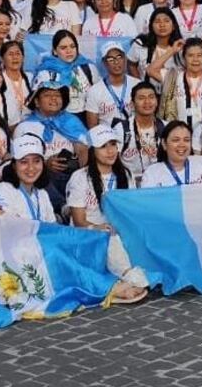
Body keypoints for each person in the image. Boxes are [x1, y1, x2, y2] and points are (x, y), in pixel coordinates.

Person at [62, 126, 149, 303]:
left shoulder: (125, 174)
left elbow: (129, 212)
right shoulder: (80, 177)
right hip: (90, 233)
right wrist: (98, 227)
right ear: (93, 151)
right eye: (103, 146)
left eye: (113, 145)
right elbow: (79, 221)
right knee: (108, 236)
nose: (110, 151)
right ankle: (131, 276)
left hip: (118, 231)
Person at [0, 133, 60, 221]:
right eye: (24, 162)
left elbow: (53, 228)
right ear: (14, 165)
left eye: (36, 161)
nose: (31, 167)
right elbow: (3, 229)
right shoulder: (2, 191)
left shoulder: (42, 194)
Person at [141, 120, 202, 187]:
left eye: (186, 140)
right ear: (164, 144)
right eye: (176, 140)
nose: (182, 145)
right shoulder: (152, 173)